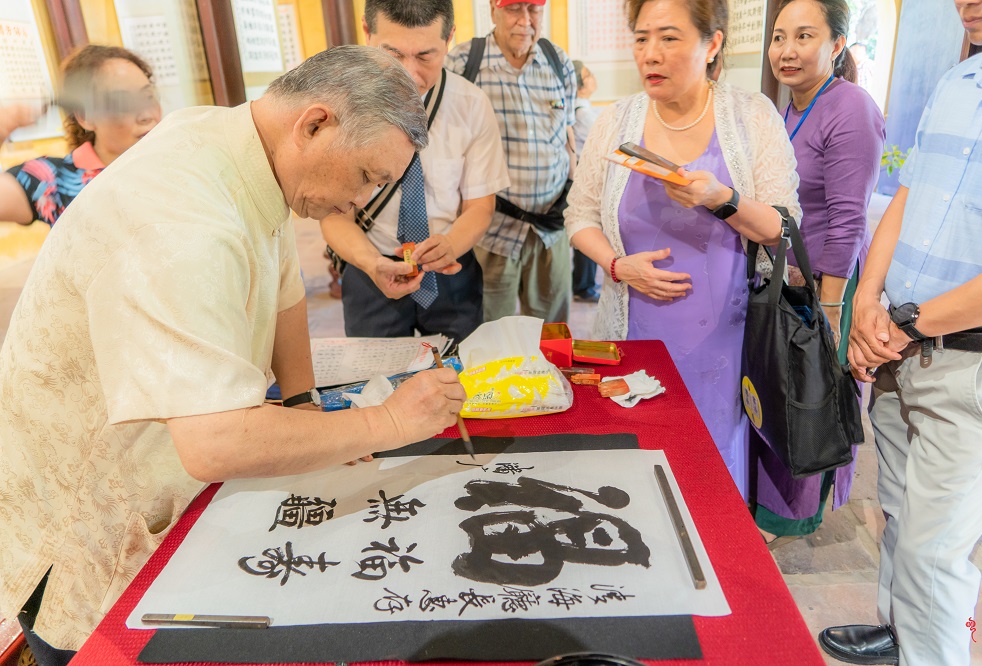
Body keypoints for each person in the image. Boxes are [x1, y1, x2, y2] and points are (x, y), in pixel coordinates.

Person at [0, 46, 467, 665]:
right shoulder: (183, 222)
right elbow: (214, 441)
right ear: (315, 124)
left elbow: (283, 285)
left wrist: (303, 403)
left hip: (164, 457)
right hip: (91, 508)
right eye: (366, 177)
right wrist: (389, 421)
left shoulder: (241, 146)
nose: (362, 201)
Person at [821, 1, 982, 664]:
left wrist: (905, 325)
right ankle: (898, 633)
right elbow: (907, 195)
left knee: (935, 552)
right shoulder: (959, 81)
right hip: (900, 347)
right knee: (898, 509)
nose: (967, 3)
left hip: (976, 364)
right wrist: (869, 298)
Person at [565, 0, 800, 498]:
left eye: (669, 38)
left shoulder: (750, 116)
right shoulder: (616, 121)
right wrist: (616, 265)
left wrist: (722, 198)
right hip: (632, 336)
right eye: (641, 38)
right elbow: (579, 216)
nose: (650, 53)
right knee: (635, 474)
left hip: (723, 345)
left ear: (712, 43)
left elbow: (783, 227)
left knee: (708, 478)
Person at [755, 0, 885, 538]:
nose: (787, 50)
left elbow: (849, 216)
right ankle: (766, 504)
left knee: (809, 398)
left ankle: (793, 515)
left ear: (836, 45)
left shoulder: (850, 107)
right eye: (779, 37)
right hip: (788, 279)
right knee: (776, 389)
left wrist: (831, 307)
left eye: (804, 36)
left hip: (829, 282)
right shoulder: (784, 110)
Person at [321, 0, 509, 343]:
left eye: (425, 56)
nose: (408, 73)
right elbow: (334, 218)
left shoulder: (470, 105)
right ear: (367, 31)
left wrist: (451, 244)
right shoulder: (338, 107)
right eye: (392, 54)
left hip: (450, 266)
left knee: (459, 367)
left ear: (449, 38)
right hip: (369, 265)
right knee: (377, 371)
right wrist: (370, 263)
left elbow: (481, 206)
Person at [446, 0, 577, 324]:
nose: (525, 20)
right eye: (514, 8)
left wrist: (571, 201)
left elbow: (568, 139)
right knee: (490, 334)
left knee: (552, 334)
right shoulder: (463, 63)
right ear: (493, 10)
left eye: (533, 9)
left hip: (551, 231)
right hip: (491, 232)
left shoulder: (558, 61)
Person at [0, 45, 162, 226]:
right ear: (86, 117)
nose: (146, 115)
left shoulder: (175, 160)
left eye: (147, 97)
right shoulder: (55, 179)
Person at [571, 59, 602, 304]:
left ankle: (584, 284)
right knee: (589, 229)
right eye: (588, 75)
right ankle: (584, 286)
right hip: (585, 179)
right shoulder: (582, 113)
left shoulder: (582, 109)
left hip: (582, 176)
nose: (593, 79)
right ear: (580, 85)